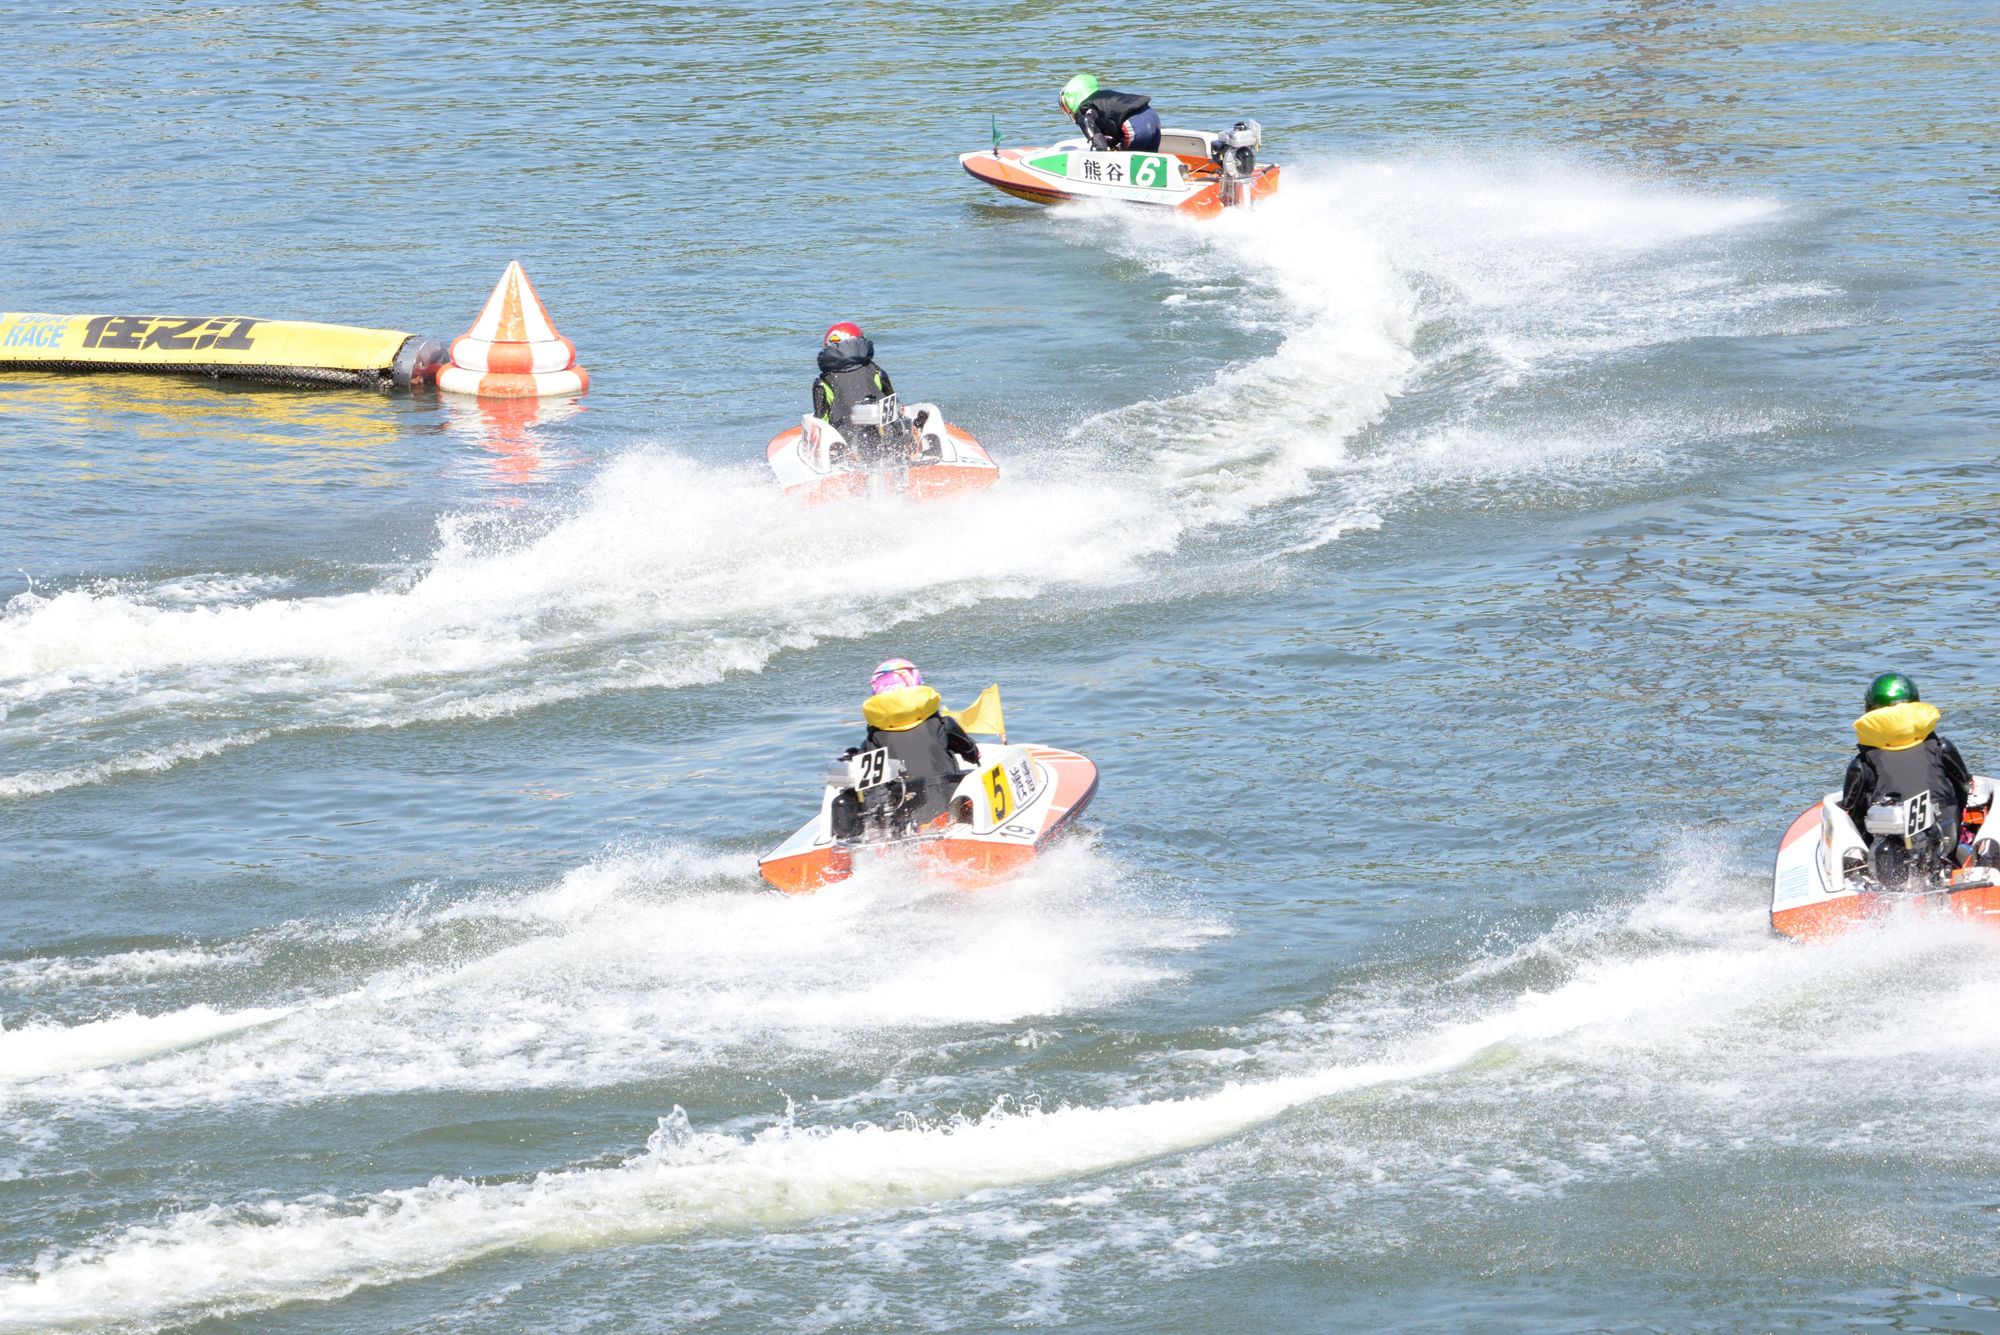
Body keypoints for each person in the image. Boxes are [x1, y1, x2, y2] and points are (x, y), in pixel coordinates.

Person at [1838, 672, 1985, 870]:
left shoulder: (1862, 763)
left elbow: (1848, 810)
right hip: (1946, 837)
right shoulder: (1941, 748)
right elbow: (1965, 787)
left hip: (1886, 851)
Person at [834, 659, 982, 836]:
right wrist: (974, 754)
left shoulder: (875, 737)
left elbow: (865, 778)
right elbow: (971, 752)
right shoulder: (941, 724)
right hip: (949, 808)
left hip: (903, 818)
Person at [812, 322, 894, 432]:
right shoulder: (876, 372)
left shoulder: (822, 383)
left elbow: (821, 421)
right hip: (883, 433)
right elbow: (892, 405)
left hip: (843, 438)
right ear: (860, 342)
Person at [1058, 73, 1161, 153]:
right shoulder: (1101, 99)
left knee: (1126, 164)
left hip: (1134, 124)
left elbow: (1100, 146)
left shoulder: (1083, 112)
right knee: (1148, 158)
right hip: (1152, 117)